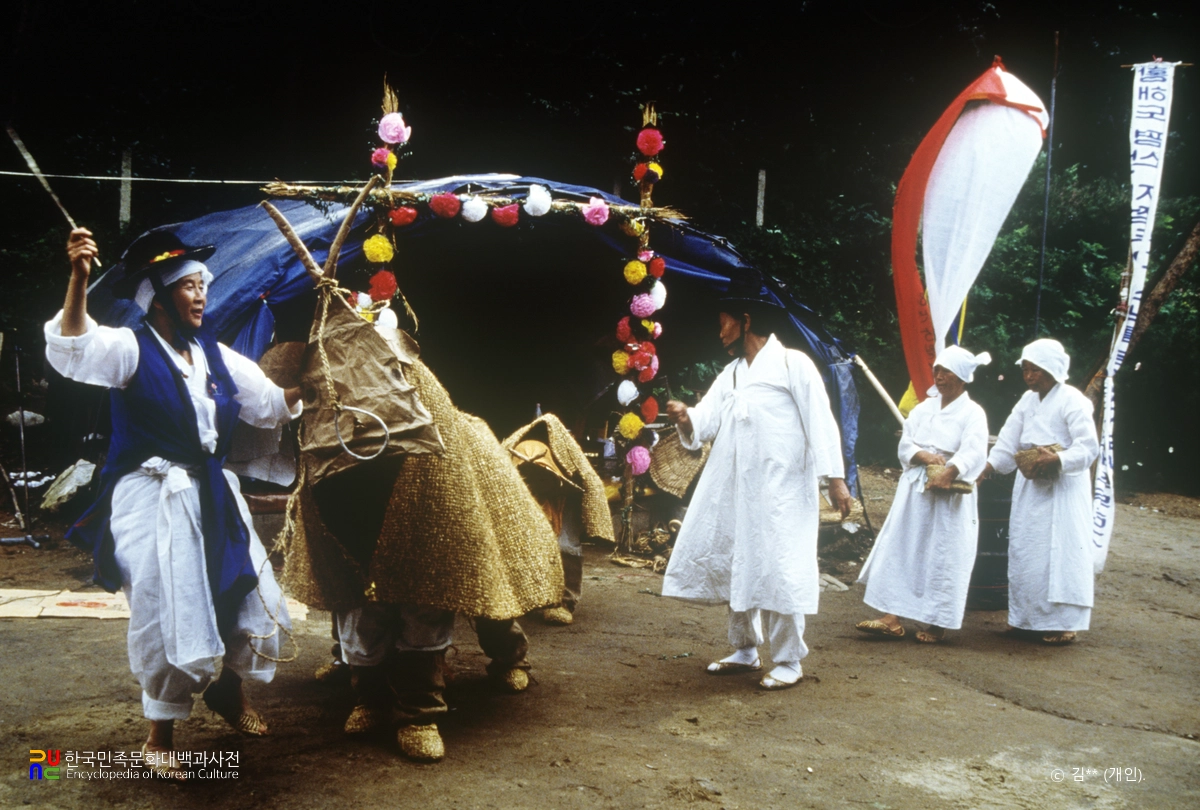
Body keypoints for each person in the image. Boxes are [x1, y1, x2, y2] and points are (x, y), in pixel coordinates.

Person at [45, 228, 302, 778]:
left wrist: (325, 369)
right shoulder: (127, 347)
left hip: (212, 493)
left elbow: (270, 405)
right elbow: (73, 347)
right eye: (188, 287)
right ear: (158, 298)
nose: (202, 296)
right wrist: (78, 281)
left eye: (202, 285)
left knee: (249, 594)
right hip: (151, 496)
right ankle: (158, 736)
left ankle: (229, 693)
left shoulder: (216, 355)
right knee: (167, 610)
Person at [662, 288, 852, 690]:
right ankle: (745, 649)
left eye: (724, 322)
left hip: (782, 489)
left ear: (745, 320)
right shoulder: (731, 374)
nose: (720, 332)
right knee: (739, 562)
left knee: (779, 566)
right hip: (738, 488)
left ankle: (788, 660)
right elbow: (703, 424)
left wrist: (836, 481)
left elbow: (821, 422)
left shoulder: (792, 364)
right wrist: (684, 417)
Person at [855, 346, 990, 643]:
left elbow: (974, 451)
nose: (939, 377)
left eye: (947, 372)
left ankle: (936, 622)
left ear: (963, 377)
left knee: (943, 554)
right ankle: (891, 616)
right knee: (904, 546)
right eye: (937, 371)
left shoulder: (973, 413)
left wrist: (951, 471)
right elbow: (906, 445)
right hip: (916, 491)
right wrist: (924, 456)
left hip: (950, 498)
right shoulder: (923, 408)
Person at [979, 338, 1099, 645]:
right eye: (1026, 370)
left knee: (1060, 553)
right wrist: (988, 467)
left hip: (1063, 490)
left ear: (1053, 370)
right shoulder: (1027, 401)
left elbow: (1088, 447)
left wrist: (1058, 458)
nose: (1030, 377)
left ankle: (1064, 623)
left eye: (1036, 370)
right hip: (1031, 487)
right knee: (1026, 551)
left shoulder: (1072, 400)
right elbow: (1007, 440)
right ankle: (1026, 620)